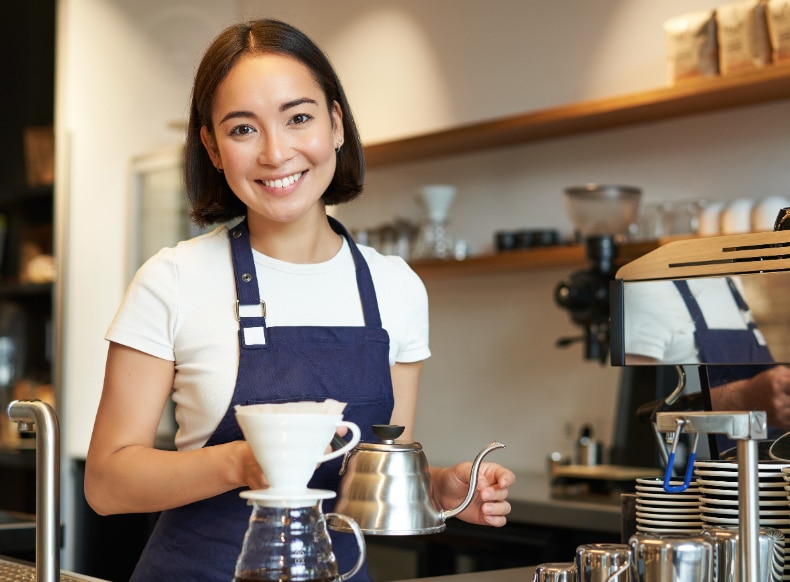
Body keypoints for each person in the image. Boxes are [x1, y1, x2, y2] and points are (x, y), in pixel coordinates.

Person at [83, 19, 515, 581]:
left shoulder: (396, 287)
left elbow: (370, 473)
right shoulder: (172, 279)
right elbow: (107, 484)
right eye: (243, 129)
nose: (275, 151)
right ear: (212, 147)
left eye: (299, 118)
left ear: (336, 123)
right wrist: (240, 461)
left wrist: (438, 488)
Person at [623, 277, 790, 430]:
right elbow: (638, 416)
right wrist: (744, 399)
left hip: (757, 467)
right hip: (692, 479)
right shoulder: (648, 288)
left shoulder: (731, 281)